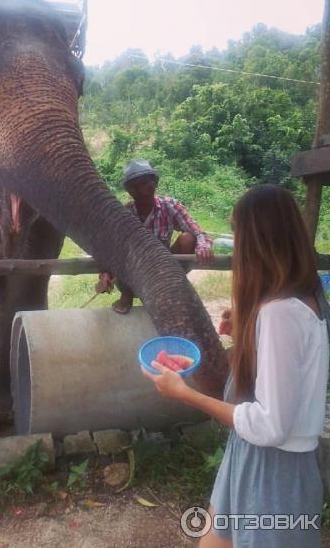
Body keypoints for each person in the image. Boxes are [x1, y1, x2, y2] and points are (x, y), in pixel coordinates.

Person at [143, 184, 329, 547]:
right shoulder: (306, 300)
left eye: (241, 235)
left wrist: (187, 395)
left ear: (258, 242)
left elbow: (271, 425)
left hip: (274, 472)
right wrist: (247, 332)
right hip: (249, 455)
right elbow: (292, 372)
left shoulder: (279, 313)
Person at [97, 158, 214, 314]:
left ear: (155, 183)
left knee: (188, 239)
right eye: (134, 186)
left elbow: (197, 231)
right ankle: (127, 294)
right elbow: (111, 247)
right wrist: (106, 273)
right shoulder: (125, 213)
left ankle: (171, 286)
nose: (141, 190)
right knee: (120, 251)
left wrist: (204, 247)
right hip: (135, 267)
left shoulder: (170, 205)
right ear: (128, 191)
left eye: (145, 183)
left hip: (164, 266)